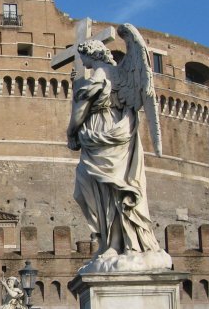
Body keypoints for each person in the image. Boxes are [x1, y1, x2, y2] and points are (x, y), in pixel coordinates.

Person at [65, 29, 169, 272]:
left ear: (92, 55)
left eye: (84, 58)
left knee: (103, 190)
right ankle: (114, 243)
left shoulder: (98, 77)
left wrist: (71, 132)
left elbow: (80, 110)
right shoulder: (116, 74)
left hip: (101, 133)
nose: (83, 63)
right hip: (115, 132)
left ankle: (115, 243)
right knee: (112, 191)